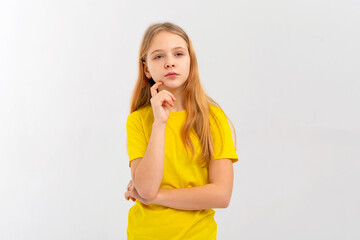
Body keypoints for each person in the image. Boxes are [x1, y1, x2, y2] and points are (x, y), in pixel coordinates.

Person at [124, 22, 239, 240]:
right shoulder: (138, 121)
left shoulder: (213, 119)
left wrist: (155, 197)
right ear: (146, 68)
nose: (170, 63)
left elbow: (221, 195)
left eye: (178, 54)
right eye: (158, 56)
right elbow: (146, 188)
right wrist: (159, 124)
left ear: (190, 61)